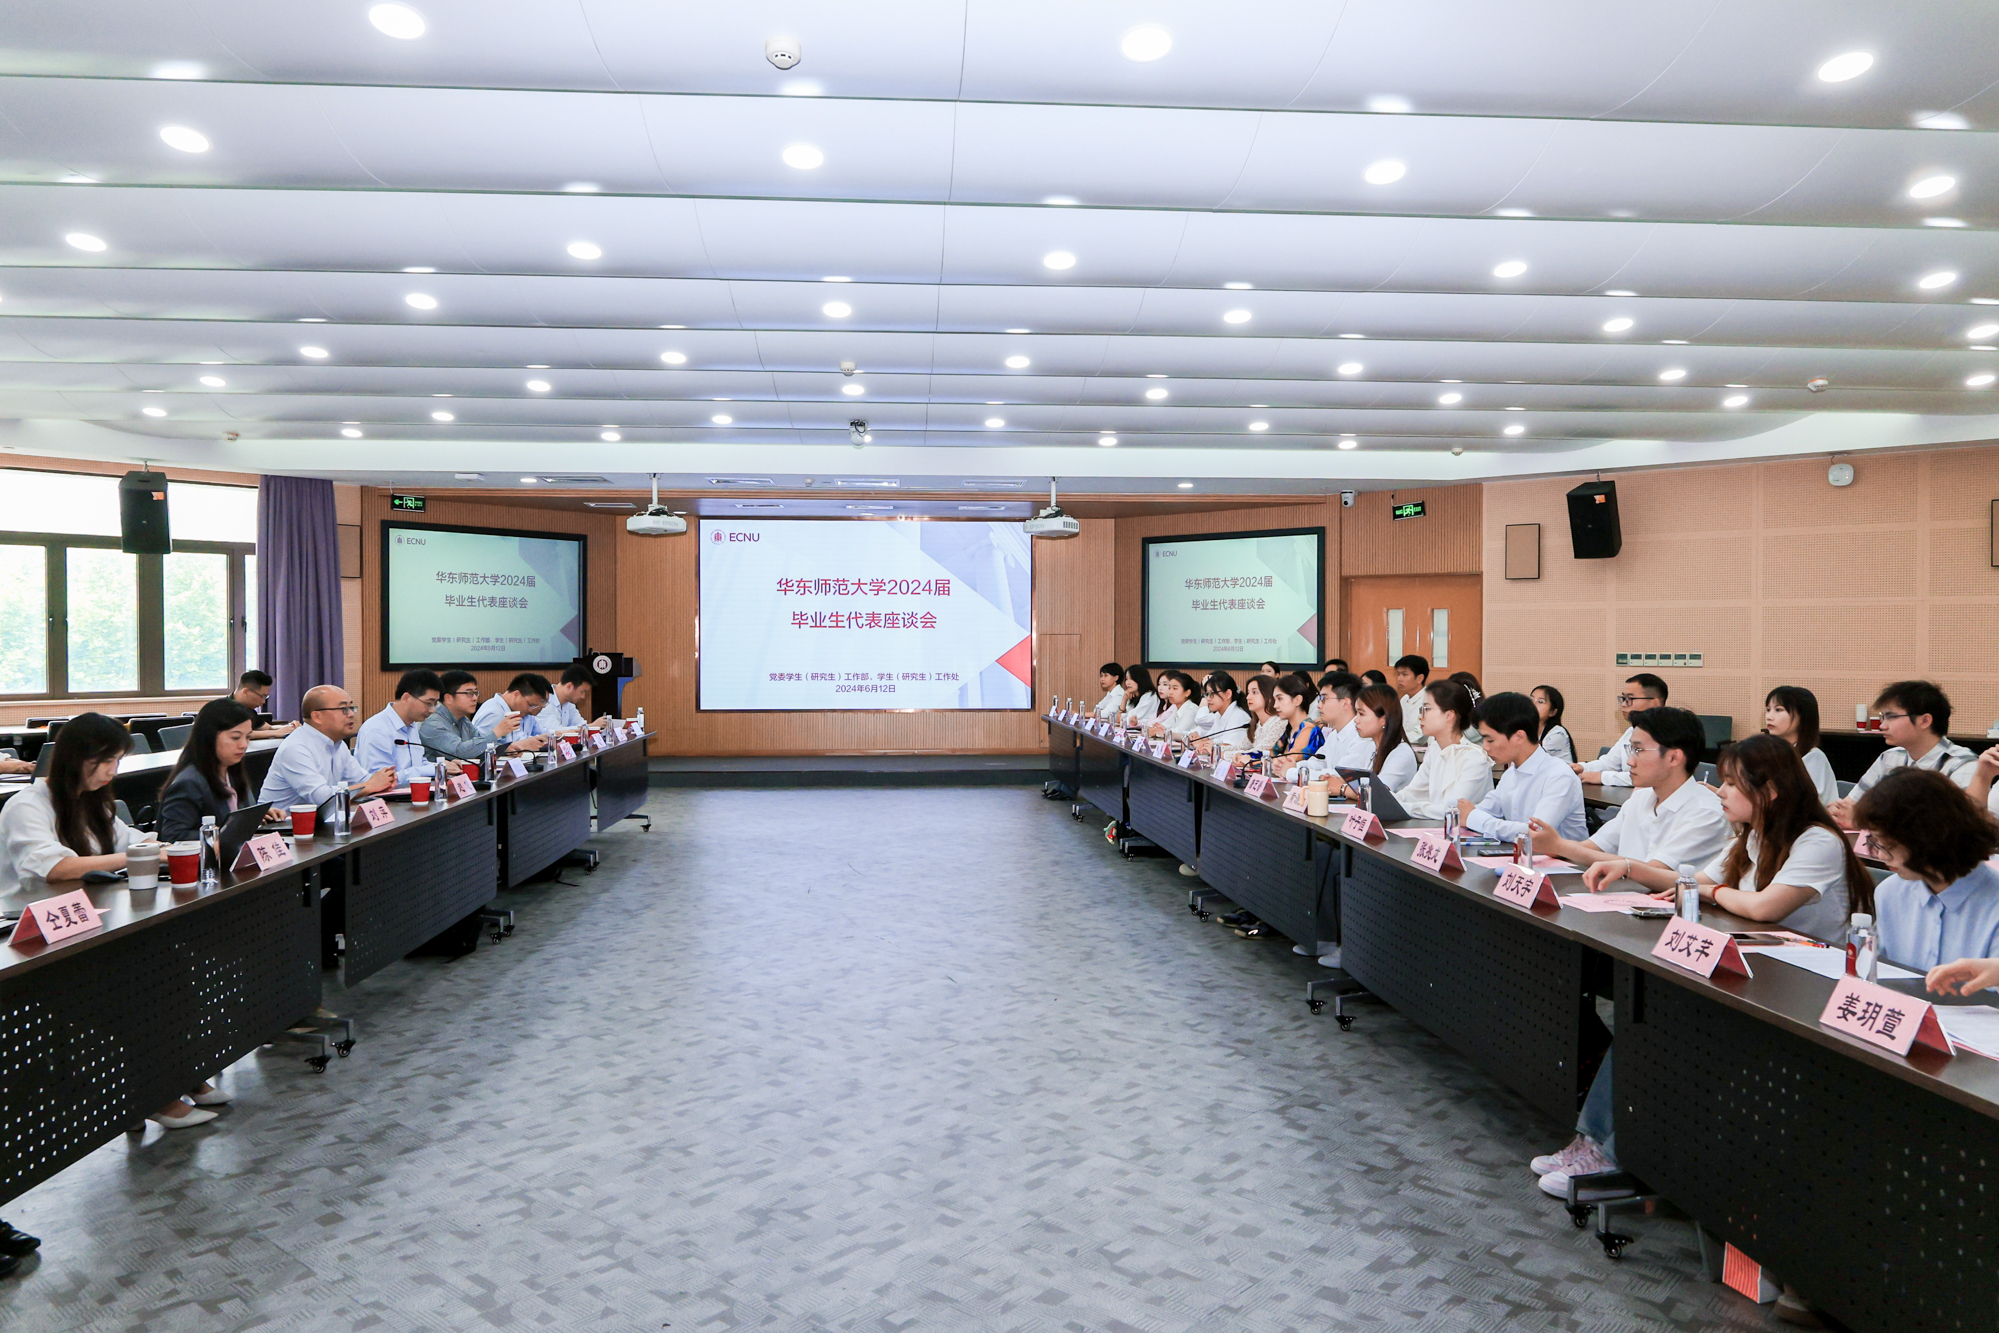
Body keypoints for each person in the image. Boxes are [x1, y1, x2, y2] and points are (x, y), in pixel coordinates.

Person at [1534, 734, 1873, 1229]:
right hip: (1757, 974)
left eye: (1733, 784)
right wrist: (1631, 869)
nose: (1720, 791)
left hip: (1807, 994)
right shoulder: (1751, 836)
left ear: (1770, 791)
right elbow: (1691, 883)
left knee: (1668, 1027)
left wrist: (1713, 893)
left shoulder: (1816, 840)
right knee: (1647, 1019)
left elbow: (1764, 907)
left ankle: (1617, 1153)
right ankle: (1595, 1144)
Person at [0, 715, 219, 1130]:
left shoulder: (93, 802)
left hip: (92, 925)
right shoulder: (28, 804)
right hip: (36, 938)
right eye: (102, 761)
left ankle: (181, 1075)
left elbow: (134, 840)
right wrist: (141, 856)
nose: (111, 771)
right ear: (74, 758)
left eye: (116, 761)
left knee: (173, 970)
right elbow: (56, 869)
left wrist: (172, 847)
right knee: (142, 988)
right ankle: (154, 1095)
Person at [1530, 707, 1731, 891]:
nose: (1630, 761)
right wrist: (1553, 846)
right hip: (1626, 899)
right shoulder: (1642, 796)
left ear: (1674, 758)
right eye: (1631, 750)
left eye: (1639, 750)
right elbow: (1593, 846)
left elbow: (1653, 871)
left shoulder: (1706, 812)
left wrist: (1562, 846)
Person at [1852, 769, 1999, 973]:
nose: (1881, 856)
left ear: (1928, 837)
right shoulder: (1889, 893)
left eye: (1890, 845)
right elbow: (1880, 973)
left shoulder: (1993, 902)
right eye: (1876, 842)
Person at [1829, 680, 1977, 826]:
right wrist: (1839, 812)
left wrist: (1867, 820)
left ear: (1925, 721)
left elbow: (1953, 827)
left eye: (1891, 717)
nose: (1882, 726)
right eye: (1883, 717)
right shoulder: (1890, 758)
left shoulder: (1962, 765)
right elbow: (1851, 805)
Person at [1459, 691, 1585, 843]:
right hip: (1522, 854)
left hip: (1560, 858)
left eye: (1490, 740)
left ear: (1519, 736)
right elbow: (1484, 809)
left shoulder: (1559, 776)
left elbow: (1535, 833)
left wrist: (1474, 818)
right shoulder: (1511, 774)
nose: (1485, 747)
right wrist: (1468, 814)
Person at [258, 685, 396, 812]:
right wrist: (370, 786)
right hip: (282, 826)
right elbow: (322, 798)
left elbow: (361, 779)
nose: (351, 714)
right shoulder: (296, 748)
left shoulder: (338, 744)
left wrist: (385, 780)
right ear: (317, 716)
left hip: (322, 821)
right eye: (344, 709)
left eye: (351, 708)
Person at [157, 698, 256, 843]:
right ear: (209, 737)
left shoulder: (231, 771)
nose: (244, 745)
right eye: (235, 737)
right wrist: (223, 834)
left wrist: (254, 817)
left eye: (248, 737)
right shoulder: (189, 782)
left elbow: (231, 817)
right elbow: (173, 836)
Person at [1393, 680, 1492, 818]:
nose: (1420, 716)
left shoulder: (1474, 758)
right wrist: (1388, 800)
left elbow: (1451, 810)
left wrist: (1403, 807)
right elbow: (1412, 793)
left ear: (1449, 715)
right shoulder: (1436, 749)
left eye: (1427, 709)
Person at [356, 669, 460, 785]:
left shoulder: (412, 725)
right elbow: (381, 780)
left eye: (435, 704)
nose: (432, 710)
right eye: (428, 703)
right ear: (406, 698)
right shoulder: (377, 729)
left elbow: (418, 764)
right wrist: (432, 769)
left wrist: (441, 766)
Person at [1322, 682, 1418, 801]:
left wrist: (1341, 788)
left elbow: (1378, 793)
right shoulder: (1371, 746)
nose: (1356, 720)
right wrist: (1333, 780)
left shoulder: (1401, 753)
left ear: (1383, 719)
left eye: (1361, 714)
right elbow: (1355, 779)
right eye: (1356, 713)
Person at [1573, 673, 1668, 788]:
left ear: (1655, 703)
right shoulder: (1631, 731)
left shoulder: (1667, 734)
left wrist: (1603, 777)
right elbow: (1608, 764)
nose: (1623, 704)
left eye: (1630, 699)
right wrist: (1582, 767)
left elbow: (1649, 776)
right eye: (1623, 699)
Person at [423, 670, 540, 762]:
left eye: (475, 693)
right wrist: (497, 732)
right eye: (469, 693)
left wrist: (503, 749)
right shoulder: (434, 724)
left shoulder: (463, 720)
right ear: (448, 698)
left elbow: (477, 748)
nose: (475, 698)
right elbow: (460, 752)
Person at [1763, 685, 1838, 806]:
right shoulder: (1769, 753)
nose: (1769, 717)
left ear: (1802, 716)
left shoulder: (1814, 757)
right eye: (1768, 709)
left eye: (1778, 710)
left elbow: (1804, 804)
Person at [1304, 673, 1372, 776]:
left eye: (1324, 699)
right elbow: (1317, 763)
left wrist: (1292, 772)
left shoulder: (1361, 736)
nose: (1319, 705)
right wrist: (1290, 765)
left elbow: (1339, 776)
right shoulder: (1334, 735)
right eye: (1319, 699)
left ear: (1345, 703)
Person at [473, 674, 554, 747]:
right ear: (516, 694)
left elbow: (542, 734)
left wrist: (552, 736)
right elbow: (479, 748)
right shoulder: (493, 713)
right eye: (531, 705)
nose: (531, 710)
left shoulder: (523, 713)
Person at [1267, 673, 1324, 778]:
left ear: (1297, 700)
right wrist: (1246, 757)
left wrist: (1272, 762)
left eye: (1280, 699)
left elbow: (1288, 760)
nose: (1275, 705)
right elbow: (1271, 752)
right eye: (1275, 700)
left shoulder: (1309, 728)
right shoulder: (1291, 728)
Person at [230, 669, 300, 740]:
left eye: (265, 697)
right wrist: (276, 733)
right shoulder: (226, 709)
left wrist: (289, 727)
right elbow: (241, 733)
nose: (263, 701)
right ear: (246, 692)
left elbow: (268, 727)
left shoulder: (248, 708)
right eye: (262, 696)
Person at [1189, 672, 1251, 747]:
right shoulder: (1219, 715)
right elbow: (1211, 739)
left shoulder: (1239, 716)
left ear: (1228, 694)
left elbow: (1232, 747)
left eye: (1212, 693)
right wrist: (1198, 739)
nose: (1208, 699)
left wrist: (1202, 744)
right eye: (1207, 694)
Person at [538, 663, 604, 731]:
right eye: (582, 691)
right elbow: (555, 732)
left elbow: (580, 724)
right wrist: (592, 726)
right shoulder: (543, 701)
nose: (583, 696)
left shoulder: (568, 703)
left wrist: (589, 727)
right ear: (569, 686)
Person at [1145, 671, 1199, 739]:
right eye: (1169, 688)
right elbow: (1164, 725)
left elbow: (1179, 732)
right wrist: (1156, 729)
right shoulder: (1177, 708)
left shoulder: (1191, 709)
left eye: (1175, 688)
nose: (1170, 692)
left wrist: (1158, 732)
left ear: (1187, 693)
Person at [1242, 674, 1285, 753]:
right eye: (1248, 692)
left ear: (1270, 696)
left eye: (1254, 692)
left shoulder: (1279, 723)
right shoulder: (1257, 724)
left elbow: (1259, 752)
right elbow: (1240, 747)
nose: (1248, 697)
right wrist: (1218, 749)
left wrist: (1225, 754)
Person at [1532, 685, 1574, 765]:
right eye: (1531, 699)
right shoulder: (1527, 730)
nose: (1533, 704)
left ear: (1552, 712)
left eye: (1540, 702)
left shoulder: (1557, 734)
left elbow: (1531, 760)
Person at [1392, 655, 1429, 744]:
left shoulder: (1429, 700)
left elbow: (1421, 736)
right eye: (1398, 674)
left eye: (1404, 674)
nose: (1399, 679)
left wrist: (1393, 739)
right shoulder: (1404, 699)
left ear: (1420, 678)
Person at [1116, 665, 1159, 729]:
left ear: (1141, 679)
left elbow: (1126, 720)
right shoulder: (1133, 696)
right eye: (1126, 679)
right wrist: (1124, 699)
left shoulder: (1150, 696)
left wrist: (1122, 719)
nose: (1127, 683)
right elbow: (1119, 719)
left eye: (1132, 679)